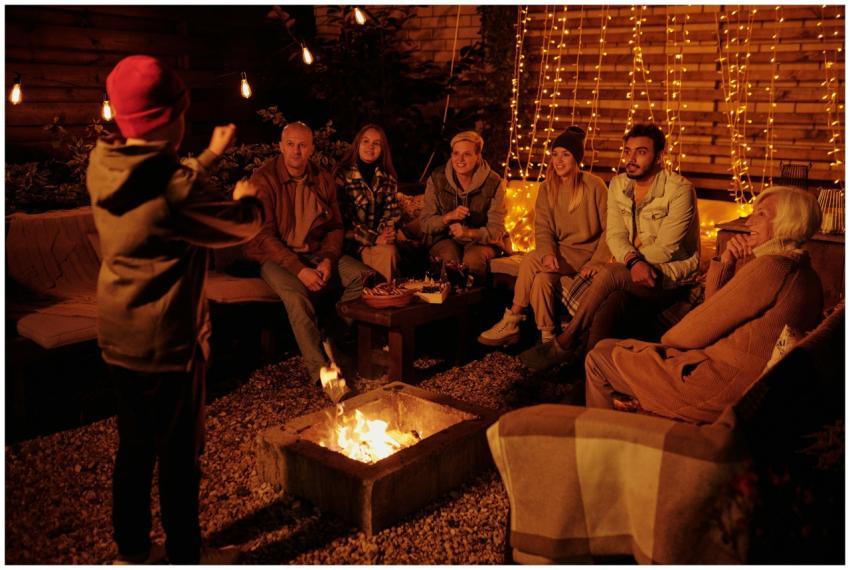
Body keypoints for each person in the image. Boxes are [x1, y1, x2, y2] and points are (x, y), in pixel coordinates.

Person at [87, 55, 263, 564]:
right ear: (169, 118)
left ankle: (133, 553)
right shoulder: (177, 189)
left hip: (118, 335)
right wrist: (249, 198)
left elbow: (157, 177)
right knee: (179, 458)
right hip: (169, 344)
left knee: (134, 449)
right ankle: (187, 554)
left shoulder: (105, 162)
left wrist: (207, 157)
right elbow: (240, 224)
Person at [585, 186, 824, 424]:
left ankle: (600, 443)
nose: (749, 221)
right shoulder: (806, 274)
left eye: (761, 214)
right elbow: (714, 309)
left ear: (787, 222)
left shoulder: (771, 268)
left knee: (599, 356)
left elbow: (686, 335)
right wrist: (726, 261)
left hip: (717, 388)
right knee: (617, 344)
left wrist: (662, 348)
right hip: (742, 384)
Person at [520, 123, 701, 372]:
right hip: (632, 269)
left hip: (670, 276)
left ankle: (565, 341)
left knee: (611, 273)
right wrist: (631, 260)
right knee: (611, 302)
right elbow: (615, 234)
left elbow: (667, 248)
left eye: (641, 152)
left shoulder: (680, 190)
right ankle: (587, 370)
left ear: (659, 157)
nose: (631, 158)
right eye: (628, 151)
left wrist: (629, 261)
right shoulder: (618, 185)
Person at [244, 122, 374, 383]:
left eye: (302, 145)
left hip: (315, 252)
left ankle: (331, 336)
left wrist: (328, 258)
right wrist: (299, 270)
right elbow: (264, 235)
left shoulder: (322, 178)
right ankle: (323, 374)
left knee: (364, 277)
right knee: (297, 298)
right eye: (290, 144)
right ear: (281, 146)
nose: (296, 151)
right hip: (274, 257)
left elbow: (336, 227)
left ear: (312, 148)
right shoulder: (264, 179)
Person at [478, 126, 610, 346]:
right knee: (541, 279)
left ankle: (512, 318)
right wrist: (547, 253)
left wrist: (598, 261)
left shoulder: (594, 186)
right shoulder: (548, 188)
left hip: (586, 253)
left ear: (576, 158)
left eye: (565, 155)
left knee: (529, 259)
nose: (558, 160)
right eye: (555, 154)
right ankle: (549, 339)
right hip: (561, 251)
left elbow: (611, 228)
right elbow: (543, 228)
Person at [419, 130, 508, 282]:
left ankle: (473, 303)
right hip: (444, 239)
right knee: (448, 260)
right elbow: (425, 223)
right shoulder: (437, 178)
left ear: (478, 156)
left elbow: (496, 231)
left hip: (480, 242)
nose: (459, 159)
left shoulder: (494, 182)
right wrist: (448, 217)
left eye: (466, 154)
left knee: (472, 261)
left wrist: (469, 233)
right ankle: (446, 303)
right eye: (455, 153)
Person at [334, 123, 402, 282]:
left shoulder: (387, 178)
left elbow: (391, 214)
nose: (370, 147)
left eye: (376, 143)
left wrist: (387, 232)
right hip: (351, 241)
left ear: (382, 149)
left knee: (388, 251)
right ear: (358, 144)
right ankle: (381, 297)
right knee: (386, 253)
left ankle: (385, 297)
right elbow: (341, 222)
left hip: (379, 240)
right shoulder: (341, 175)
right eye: (365, 141)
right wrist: (374, 238)